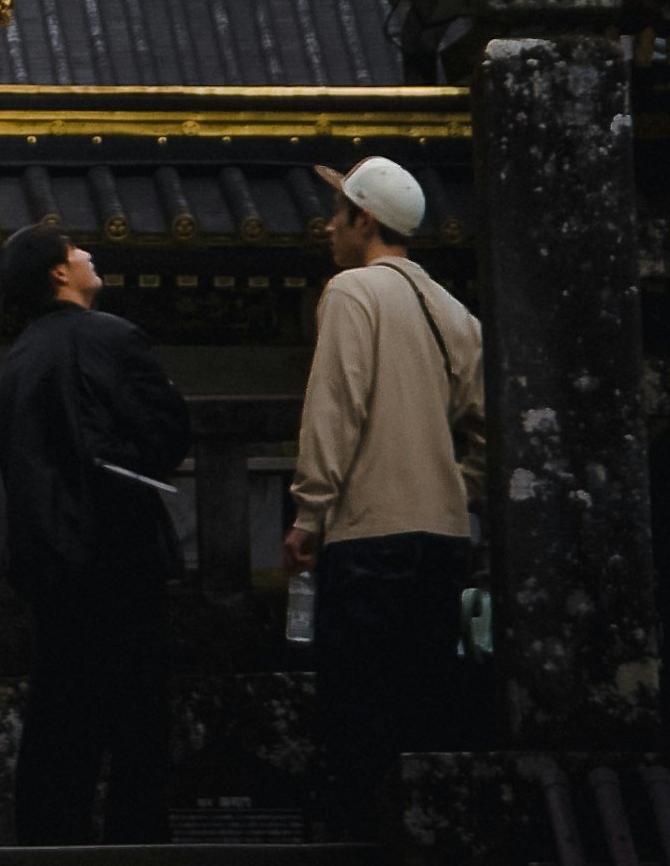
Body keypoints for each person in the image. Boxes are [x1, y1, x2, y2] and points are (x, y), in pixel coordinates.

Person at [287, 157, 486, 832]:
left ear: (363, 220)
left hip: (369, 535)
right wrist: (449, 485)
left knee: (358, 709)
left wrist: (309, 513)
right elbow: (484, 433)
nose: (328, 225)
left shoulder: (353, 292)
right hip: (445, 536)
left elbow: (333, 410)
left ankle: (360, 838)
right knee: (426, 703)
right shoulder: (455, 313)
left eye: (337, 212)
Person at [0, 224, 195, 845]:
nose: (87, 255)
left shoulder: (17, 362)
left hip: (53, 568)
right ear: (59, 272)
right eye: (76, 251)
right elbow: (164, 439)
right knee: (138, 731)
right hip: (123, 555)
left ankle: (49, 847)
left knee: (58, 726)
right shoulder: (115, 340)